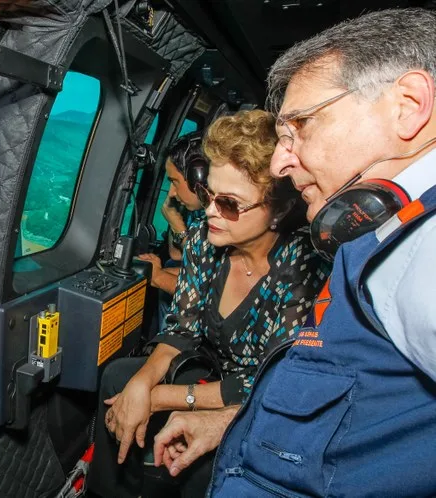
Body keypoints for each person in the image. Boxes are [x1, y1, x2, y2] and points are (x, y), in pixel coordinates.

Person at [153, 9, 436, 498]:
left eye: (300, 127)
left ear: (408, 106)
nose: (283, 162)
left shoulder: (420, 253)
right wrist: (231, 423)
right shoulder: (375, 232)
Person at [87, 110, 330, 498]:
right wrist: (142, 383)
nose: (212, 211)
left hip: (258, 397)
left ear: (279, 210)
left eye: (230, 203)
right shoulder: (202, 238)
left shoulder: (303, 265)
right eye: (210, 194)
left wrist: (161, 396)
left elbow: (270, 380)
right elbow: (181, 329)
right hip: (212, 369)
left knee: (206, 469)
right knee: (120, 377)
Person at [137, 132, 206, 331]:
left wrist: (158, 277)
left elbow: (210, 290)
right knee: (165, 266)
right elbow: (176, 255)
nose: (172, 192)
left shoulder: (223, 221)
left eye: (175, 182)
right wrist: (172, 214)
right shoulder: (197, 210)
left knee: (160, 278)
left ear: (198, 176)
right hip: (189, 267)